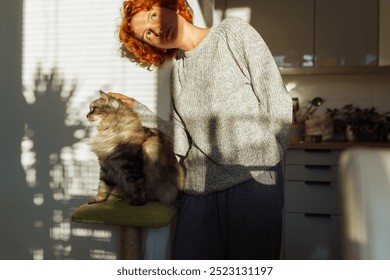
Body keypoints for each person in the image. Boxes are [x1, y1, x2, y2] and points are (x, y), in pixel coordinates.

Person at [109, 0, 292, 260]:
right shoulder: (178, 73)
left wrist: (269, 163)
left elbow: (275, 96)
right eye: (147, 34)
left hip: (251, 185)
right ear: (150, 46)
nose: (156, 29)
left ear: (171, 6)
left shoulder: (232, 33)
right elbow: (183, 142)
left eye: (152, 15)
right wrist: (142, 113)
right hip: (199, 192)